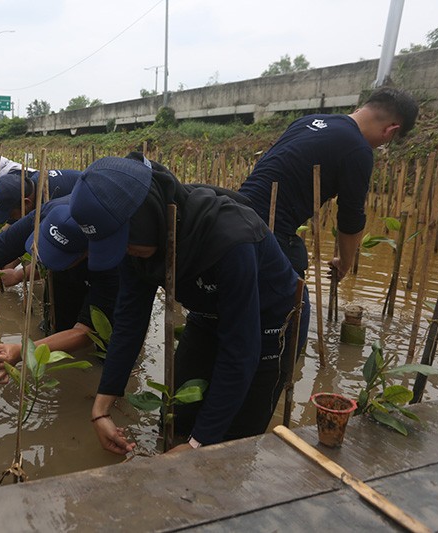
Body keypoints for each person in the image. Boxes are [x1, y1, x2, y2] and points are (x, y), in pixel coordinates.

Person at [68, 155, 304, 454]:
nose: (125, 253)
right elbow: (130, 319)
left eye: (126, 244)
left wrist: (197, 445)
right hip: (207, 315)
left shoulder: (231, 239)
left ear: (148, 218)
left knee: (231, 446)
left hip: (268, 326)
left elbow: (241, 349)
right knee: (176, 418)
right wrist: (102, 406)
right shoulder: (137, 247)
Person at [238, 86, 419, 279]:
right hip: (264, 232)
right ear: (391, 130)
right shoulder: (358, 149)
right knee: (296, 304)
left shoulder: (306, 121)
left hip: (233, 211)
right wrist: (344, 262)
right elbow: (351, 216)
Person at [0, 197, 118, 380]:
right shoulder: (43, 216)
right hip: (71, 254)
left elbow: (86, 332)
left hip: (103, 265)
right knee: (59, 323)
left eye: (56, 258)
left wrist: (24, 352)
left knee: (108, 346)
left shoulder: (114, 259)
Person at [0, 169, 82, 224]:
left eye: (11, 216)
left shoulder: (49, 200)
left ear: (26, 203)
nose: (11, 220)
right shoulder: (33, 187)